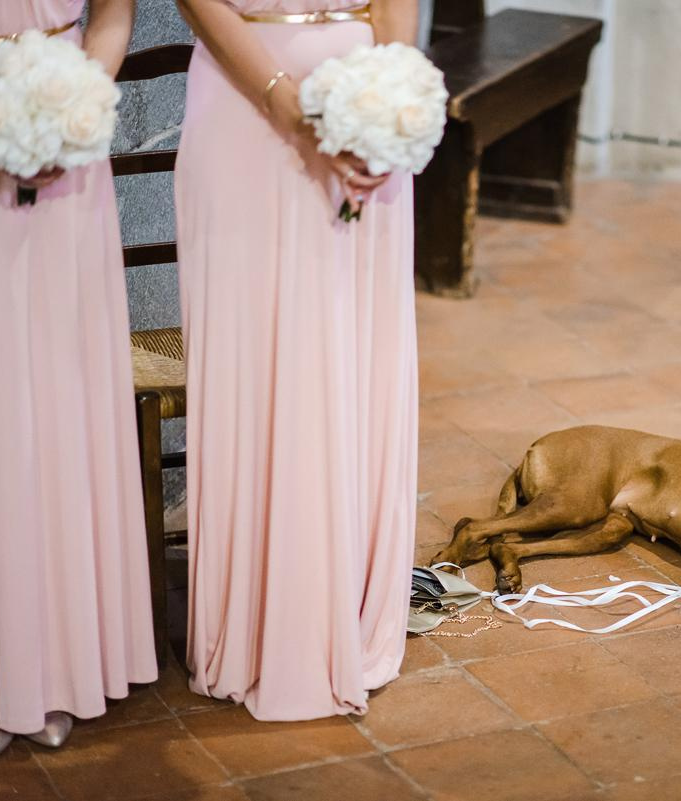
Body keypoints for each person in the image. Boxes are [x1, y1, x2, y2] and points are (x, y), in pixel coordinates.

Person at [174, 0, 419, 720]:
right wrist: (286, 102)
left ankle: (347, 601)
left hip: (365, 111)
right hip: (243, 111)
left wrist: (392, 95)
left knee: (357, 351)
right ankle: (263, 622)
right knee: (259, 356)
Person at [0, 0, 156, 755]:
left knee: (58, 394)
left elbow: (114, 12)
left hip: (66, 145)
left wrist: (72, 112)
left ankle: (57, 659)